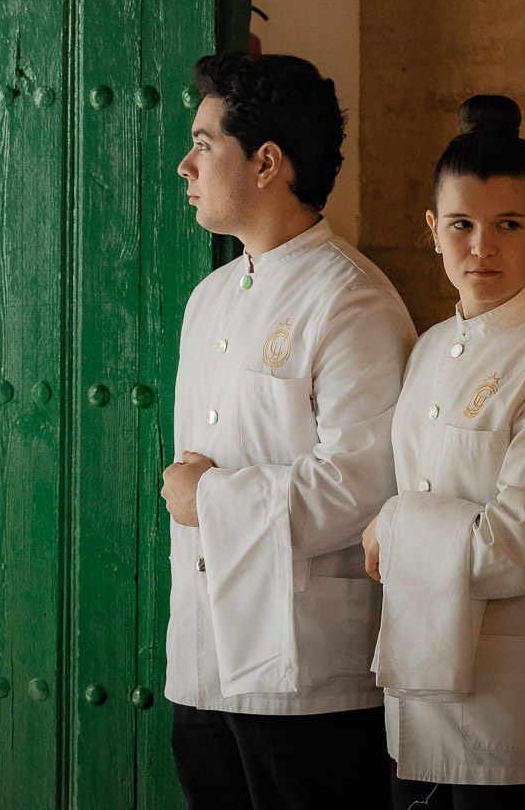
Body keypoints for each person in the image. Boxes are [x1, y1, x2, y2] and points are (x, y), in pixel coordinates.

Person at [160, 52, 416, 809]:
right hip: (203, 666)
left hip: (305, 680)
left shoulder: (353, 302)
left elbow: (363, 484)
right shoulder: (208, 299)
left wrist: (210, 500)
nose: (186, 166)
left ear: (267, 163)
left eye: (204, 144)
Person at [361, 95, 525, 809]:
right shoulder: (428, 349)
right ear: (432, 229)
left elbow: (519, 549)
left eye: (508, 225)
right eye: (462, 225)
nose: (482, 248)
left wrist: (392, 527)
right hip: (421, 696)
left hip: (520, 711)